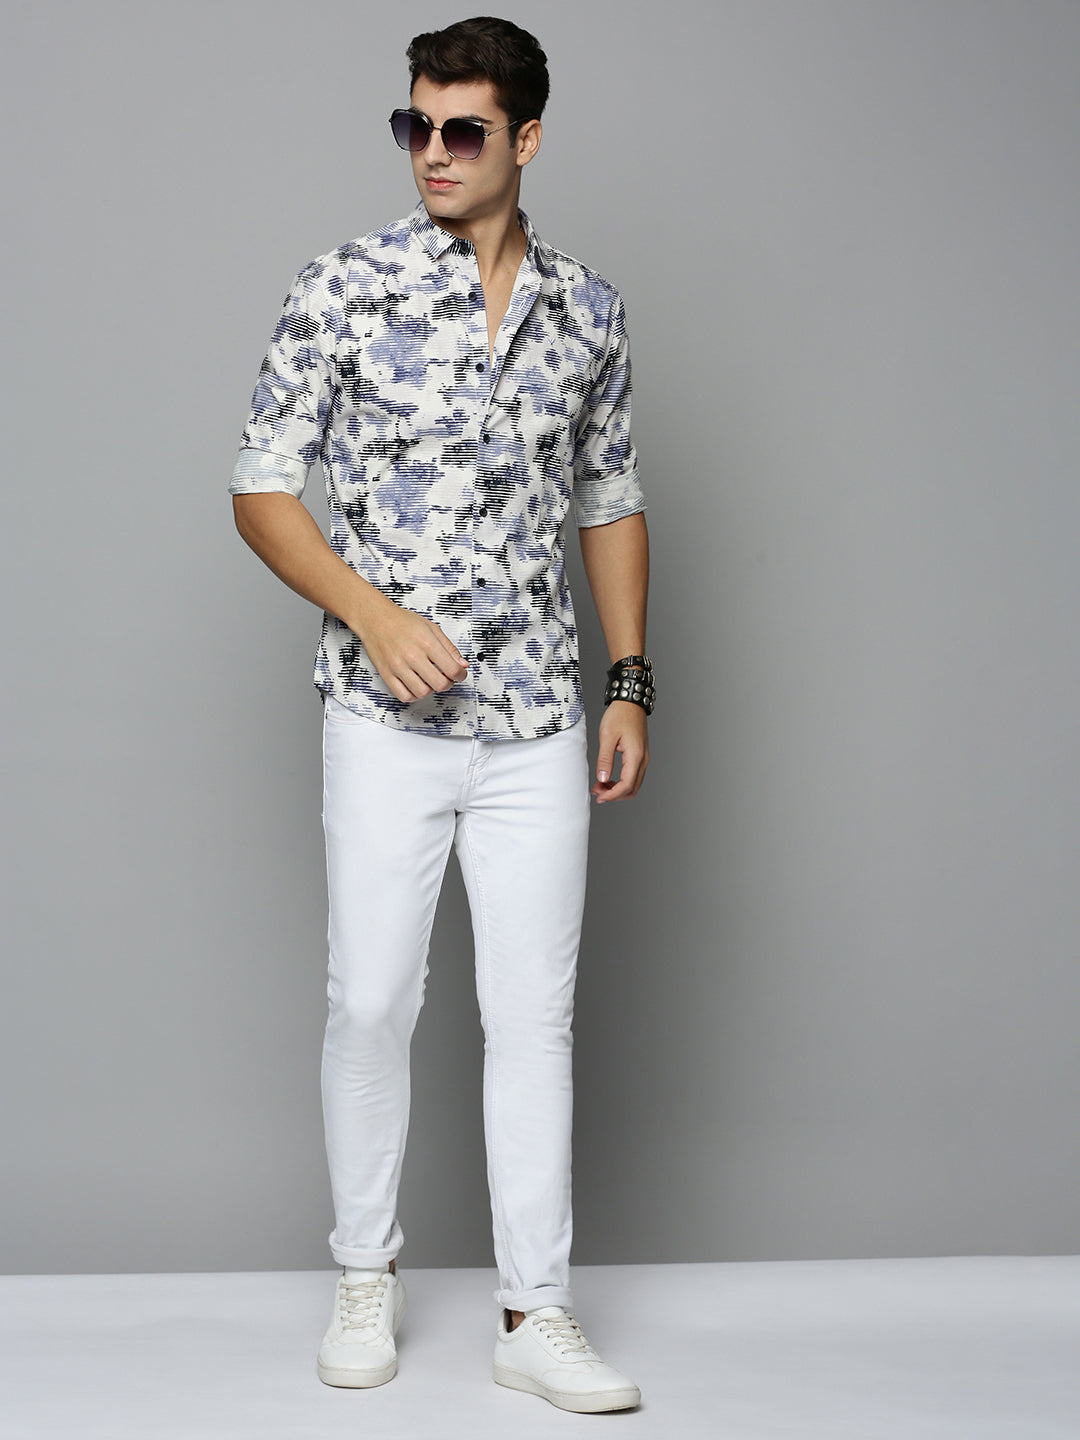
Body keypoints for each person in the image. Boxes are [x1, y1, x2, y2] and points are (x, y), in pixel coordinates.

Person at [229, 15, 652, 1415]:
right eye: (415, 124)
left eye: (462, 129)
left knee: (534, 1017)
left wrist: (630, 677)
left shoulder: (589, 312)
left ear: (525, 138)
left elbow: (610, 499)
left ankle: (537, 1312)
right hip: (383, 718)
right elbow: (262, 484)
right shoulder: (343, 286)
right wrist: (371, 613)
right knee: (371, 999)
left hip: (536, 718)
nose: (433, 152)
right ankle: (366, 1273)